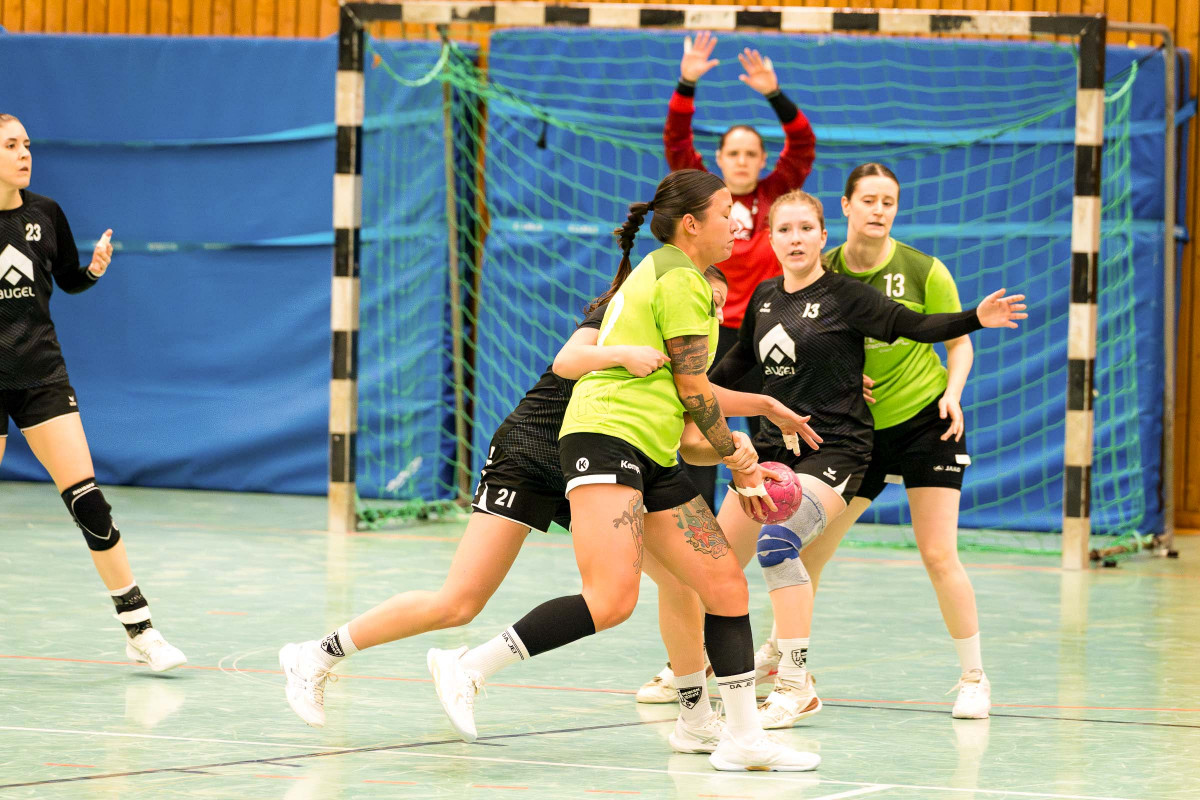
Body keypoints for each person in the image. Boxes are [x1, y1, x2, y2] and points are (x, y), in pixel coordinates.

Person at [279, 262, 815, 735]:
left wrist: (739, 443)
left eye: (719, 305)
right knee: (459, 603)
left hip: (602, 468)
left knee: (683, 580)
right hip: (532, 455)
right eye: (707, 299)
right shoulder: (625, 313)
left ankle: (695, 718)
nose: (712, 313)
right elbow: (569, 359)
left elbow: (691, 435)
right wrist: (630, 358)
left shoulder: (685, 353)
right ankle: (317, 655)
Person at [425, 169, 822, 772]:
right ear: (691, 225)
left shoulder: (677, 277)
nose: (736, 225)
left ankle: (737, 736)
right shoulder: (678, 277)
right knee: (611, 600)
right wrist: (740, 463)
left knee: (723, 582)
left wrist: (764, 405)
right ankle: (471, 665)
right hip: (607, 438)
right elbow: (694, 391)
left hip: (651, 451)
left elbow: (690, 385)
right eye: (725, 214)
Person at [633, 189, 1025, 727]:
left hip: (835, 450)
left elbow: (914, 327)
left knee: (778, 543)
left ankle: (796, 685)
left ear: (823, 236)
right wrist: (676, 395)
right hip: (773, 454)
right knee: (713, 562)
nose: (795, 239)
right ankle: (690, 666)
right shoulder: (764, 298)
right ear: (770, 240)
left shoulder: (847, 295)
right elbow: (733, 368)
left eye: (804, 229)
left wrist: (975, 318)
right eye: (784, 230)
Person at [760, 163, 993, 718]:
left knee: (938, 552)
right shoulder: (824, 268)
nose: (879, 210)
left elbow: (957, 340)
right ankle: (785, 657)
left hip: (925, 421)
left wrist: (954, 392)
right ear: (845, 207)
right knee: (808, 548)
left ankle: (974, 677)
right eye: (868, 199)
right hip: (857, 431)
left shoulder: (922, 269)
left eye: (889, 201)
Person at [0, 113, 186, 672]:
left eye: (26, 144)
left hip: (41, 376)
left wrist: (94, 271)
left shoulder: (45, 213)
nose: (24, 154)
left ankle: (140, 630)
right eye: (11, 145)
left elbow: (67, 280)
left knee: (88, 501)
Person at [665, 31, 817, 510]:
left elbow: (803, 143)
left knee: (770, 432)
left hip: (765, 331)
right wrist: (686, 84)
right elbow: (676, 141)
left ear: (763, 161)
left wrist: (775, 94)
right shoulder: (701, 197)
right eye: (734, 152)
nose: (743, 160)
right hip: (709, 331)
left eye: (752, 153)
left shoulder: (776, 193)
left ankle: (771, 514)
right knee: (700, 432)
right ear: (719, 159)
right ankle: (699, 522)